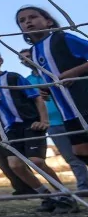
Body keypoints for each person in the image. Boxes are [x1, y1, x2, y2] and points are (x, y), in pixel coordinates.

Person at [0, 47, 72, 212]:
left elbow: (37, 99)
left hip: (30, 124)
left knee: (36, 162)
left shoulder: (14, 78)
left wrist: (44, 120)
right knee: (15, 165)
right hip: (10, 128)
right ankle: (46, 196)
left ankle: (65, 195)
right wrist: (0, 129)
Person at [17, 6, 88, 166]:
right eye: (22, 21)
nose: (28, 21)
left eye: (33, 17)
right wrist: (47, 87)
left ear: (48, 21)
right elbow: (54, 76)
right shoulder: (33, 51)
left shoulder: (62, 38)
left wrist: (74, 72)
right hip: (68, 112)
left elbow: (65, 73)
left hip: (84, 102)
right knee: (80, 151)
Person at [20, 48, 88, 192]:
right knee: (72, 157)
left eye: (28, 56)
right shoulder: (27, 81)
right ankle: (84, 186)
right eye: (23, 58)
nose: (26, 60)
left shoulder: (53, 73)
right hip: (53, 123)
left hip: (74, 116)